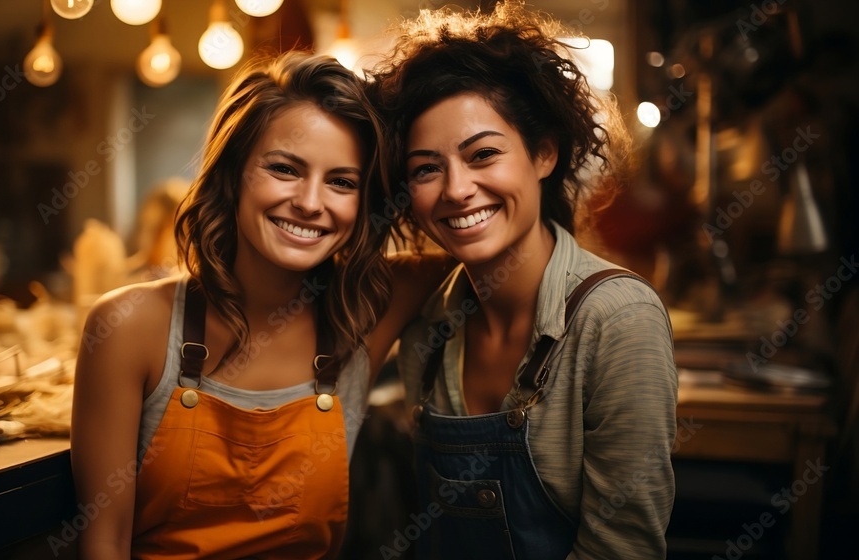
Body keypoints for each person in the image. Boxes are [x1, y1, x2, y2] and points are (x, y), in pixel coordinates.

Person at [71, 52, 450, 559]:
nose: (311, 202)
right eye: (285, 169)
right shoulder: (128, 326)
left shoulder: (367, 311)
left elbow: (486, 239)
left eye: (341, 182)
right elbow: (104, 545)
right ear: (234, 173)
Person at [371, 3, 678, 558]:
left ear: (543, 153)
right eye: (425, 168)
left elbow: (623, 548)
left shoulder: (617, 319)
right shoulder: (428, 330)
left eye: (483, 154)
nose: (457, 189)